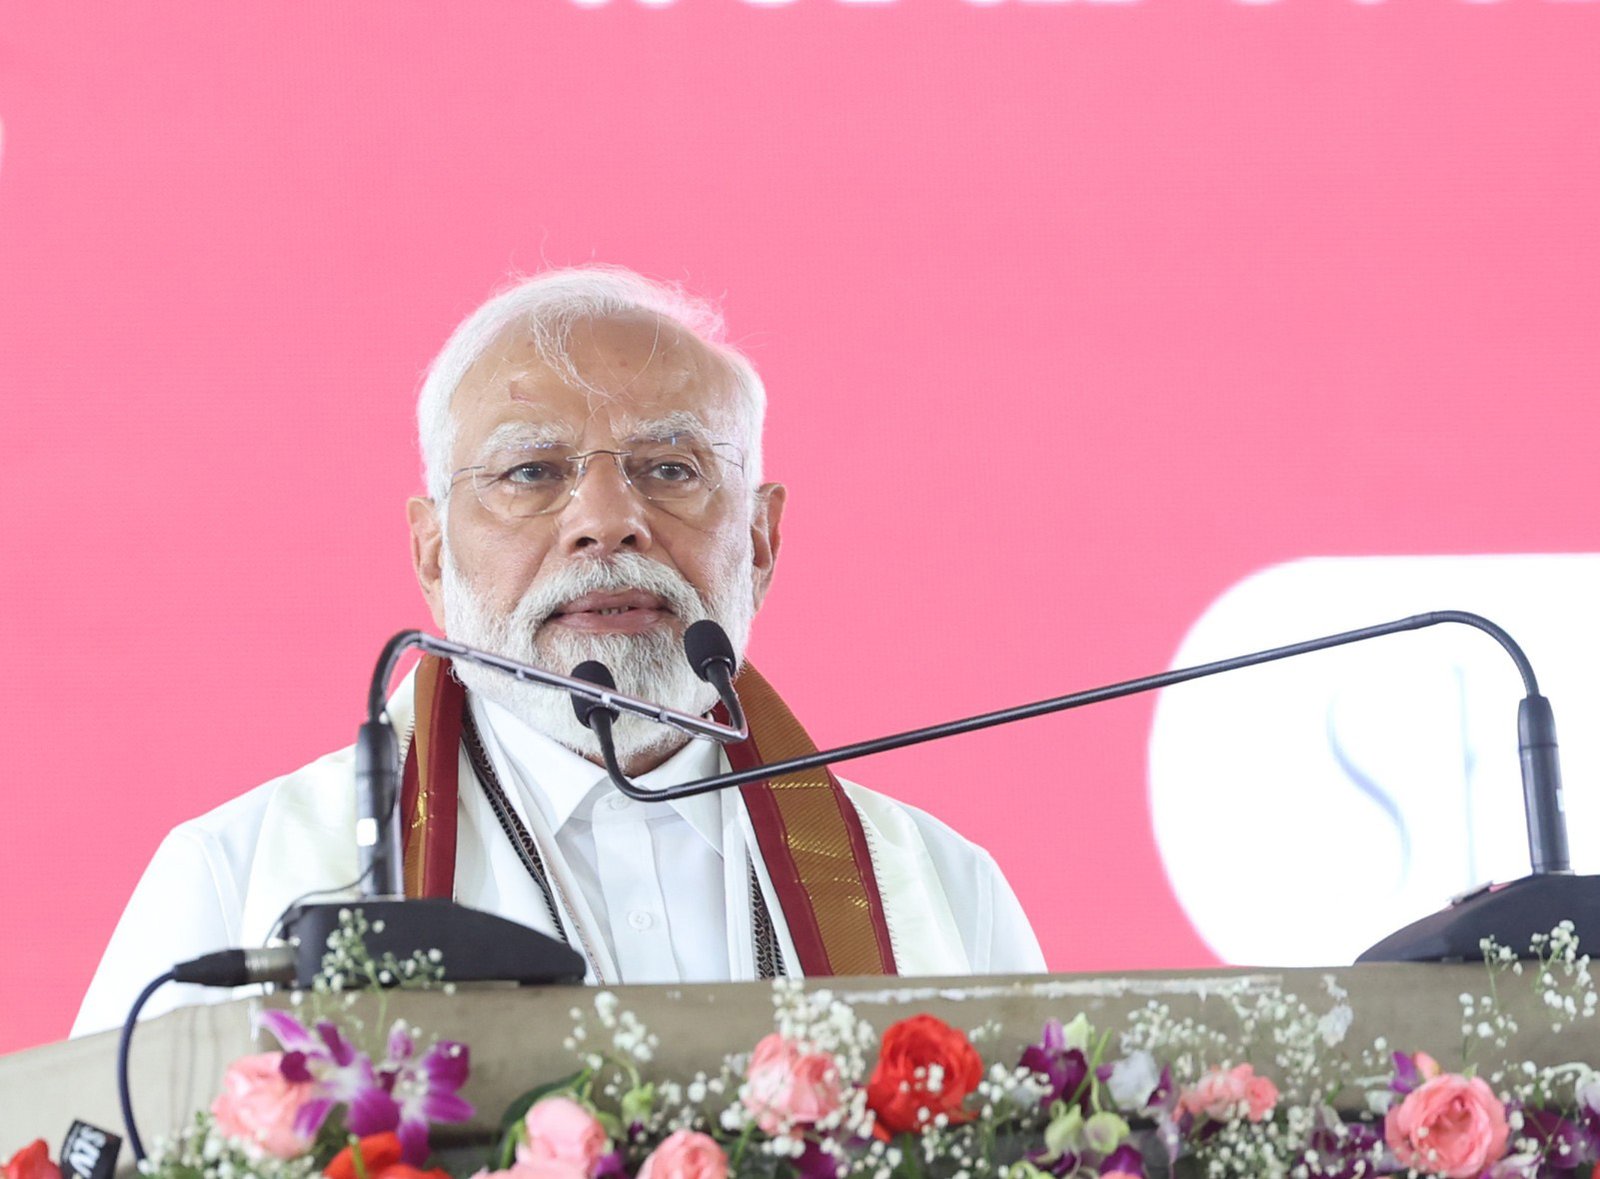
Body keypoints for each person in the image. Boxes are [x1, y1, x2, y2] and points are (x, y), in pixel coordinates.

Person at [72, 267, 1044, 1037]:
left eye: (671, 470)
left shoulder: (942, 892)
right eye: (532, 473)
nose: (608, 522)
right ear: (430, 553)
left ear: (759, 541)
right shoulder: (237, 879)